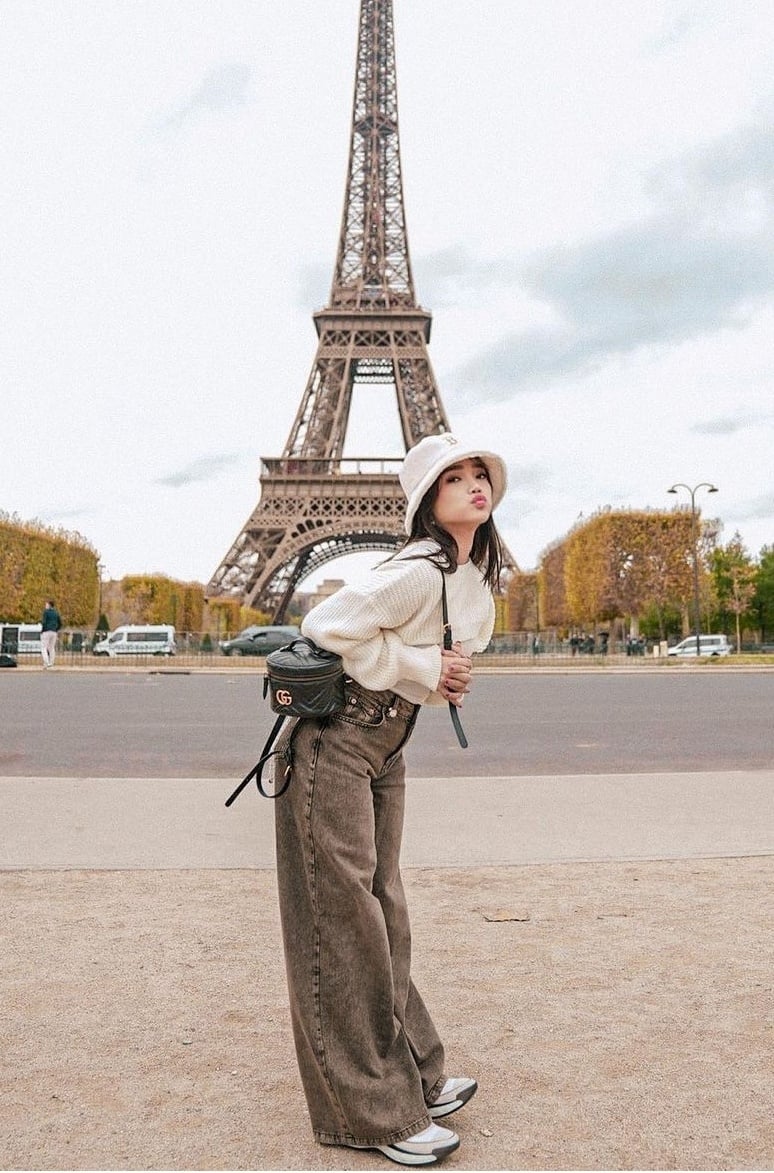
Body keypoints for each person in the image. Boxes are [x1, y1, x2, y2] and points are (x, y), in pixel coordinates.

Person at [273, 432, 507, 1167]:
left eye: (481, 474)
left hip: (385, 742)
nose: (474, 485)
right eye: (455, 478)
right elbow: (326, 625)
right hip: (335, 740)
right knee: (344, 919)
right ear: (427, 500)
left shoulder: (466, 578)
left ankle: (416, 1071)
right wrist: (422, 663)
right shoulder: (416, 568)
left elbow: (430, 666)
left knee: (385, 908)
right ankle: (369, 1112)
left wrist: (438, 675)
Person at [40, 599, 62, 668]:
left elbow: (44, 622)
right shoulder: (56, 613)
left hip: (46, 631)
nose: (45, 606)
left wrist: (42, 631)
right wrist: (56, 629)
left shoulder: (46, 612)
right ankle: (51, 663)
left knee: (43, 648)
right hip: (54, 632)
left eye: (46, 604)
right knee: (51, 648)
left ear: (49, 605)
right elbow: (60, 623)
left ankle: (46, 663)